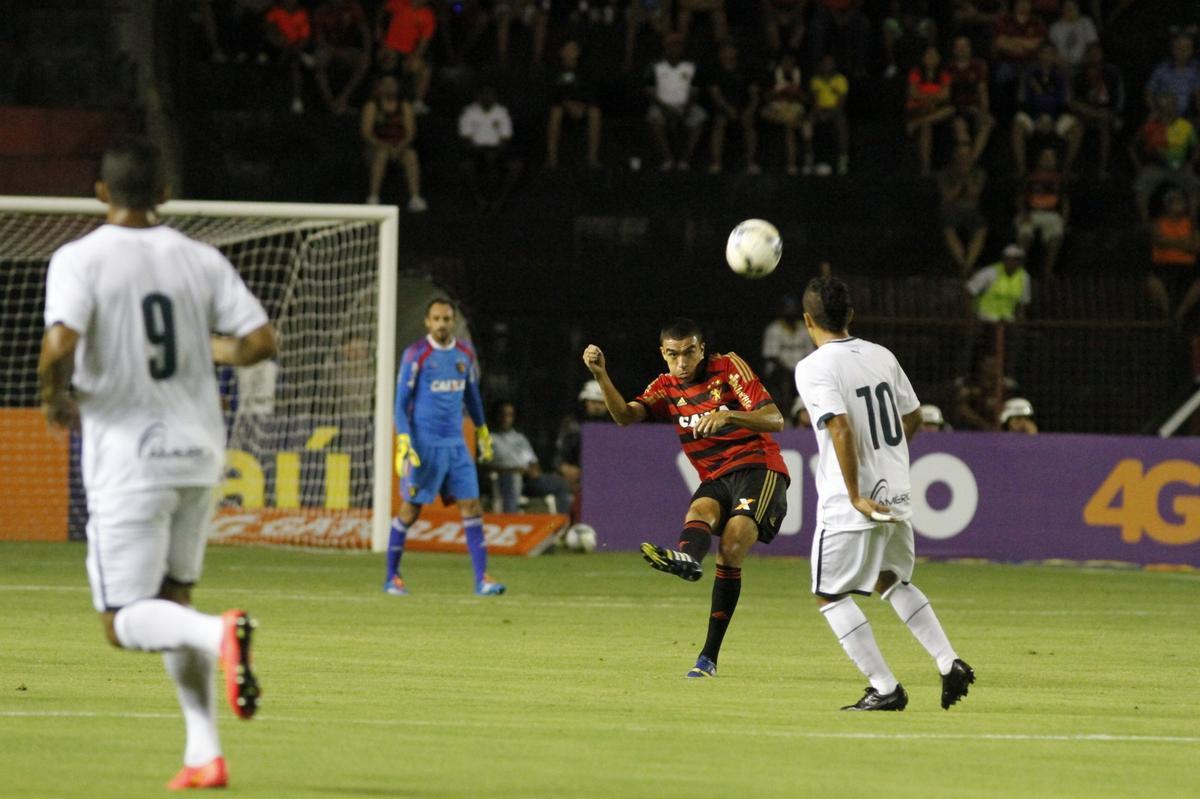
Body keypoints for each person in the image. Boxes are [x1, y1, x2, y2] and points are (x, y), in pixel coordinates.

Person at [37, 137, 274, 788]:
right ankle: (204, 752)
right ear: (165, 193)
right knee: (172, 596)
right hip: (200, 454)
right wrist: (208, 352)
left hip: (129, 458)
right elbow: (260, 341)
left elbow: (60, 341)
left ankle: (220, 633)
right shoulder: (199, 258)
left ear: (101, 194)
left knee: (122, 620)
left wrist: (52, 396)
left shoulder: (79, 257)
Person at [794, 276, 974, 711]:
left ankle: (886, 688)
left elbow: (839, 425)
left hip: (850, 501)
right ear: (850, 316)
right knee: (890, 579)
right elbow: (913, 417)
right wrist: (886, 462)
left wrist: (856, 493)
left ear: (807, 320)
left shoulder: (814, 366)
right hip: (894, 493)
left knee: (829, 594)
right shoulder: (881, 355)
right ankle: (949, 661)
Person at [582, 319, 790, 678]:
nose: (682, 362)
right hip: (715, 477)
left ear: (702, 349)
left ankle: (708, 656)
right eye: (674, 355)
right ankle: (687, 559)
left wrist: (729, 415)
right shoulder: (665, 387)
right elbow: (625, 417)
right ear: (663, 354)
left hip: (759, 469)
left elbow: (775, 419)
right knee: (699, 510)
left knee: (731, 544)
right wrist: (601, 375)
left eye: (690, 352)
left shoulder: (728, 367)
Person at [384, 298, 505, 596]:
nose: (441, 324)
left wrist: (482, 430)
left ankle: (483, 579)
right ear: (427, 322)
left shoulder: (464, 353)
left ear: (453, 322)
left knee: (472, 506)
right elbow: (401, 403)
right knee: (410, 511)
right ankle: (391, 577)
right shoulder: (416, 354)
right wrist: (404, 440)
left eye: (446, 319)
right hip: (424, 446)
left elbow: (472, 396)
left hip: (456, 444)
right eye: (436, 319)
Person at [488, 400, 573, 514]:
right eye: (502, 414)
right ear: (496, 416)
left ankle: (562, 524)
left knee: (560, 484)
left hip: (528, 479)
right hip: (504, 478)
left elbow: (531, 460)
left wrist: (533, 469)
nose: (506, 418)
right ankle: (511, 519)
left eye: (510, 415)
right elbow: (486, 465)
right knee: (513, 478)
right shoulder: (490, 438)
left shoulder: (519, 438)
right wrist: (515, 471)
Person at [1012, 41, 1081, 177]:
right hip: (1033, 115)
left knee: (1077, 128)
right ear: (1039, 55)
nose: (1047, 57)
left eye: (1051, 53)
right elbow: (1022, 101)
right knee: (1017, 126)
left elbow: (1065, 103)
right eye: (1044, 53)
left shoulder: (1060, 76)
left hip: (1055, 117)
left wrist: (1052, 121)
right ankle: (1021, 169)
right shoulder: (1029, 73)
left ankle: (1067, 168)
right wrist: (1038, 119)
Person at [361, 74, 428, 211]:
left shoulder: (404, 106)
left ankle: (415, 198)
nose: (389, 87)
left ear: (398, 87)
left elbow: (410, 133)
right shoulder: (372, 105)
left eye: (392, 84)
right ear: (379, 87)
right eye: (385, 84)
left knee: (411, 155)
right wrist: (383, 145)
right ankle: (373, 196)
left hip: (399, 147)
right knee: (382, 154)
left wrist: (400, 146)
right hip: (376, 147)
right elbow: (366, 133)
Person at [1131, 92, 1200, 222]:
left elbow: (1197, 147)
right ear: (1159, 107)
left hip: (1180, 167)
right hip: (1156, 167)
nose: (1170, 108)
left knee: (1195, 187)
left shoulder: (1185, 126)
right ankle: (1146, 224)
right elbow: (1132, 146)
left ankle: (1190, 224)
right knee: (1140, 189)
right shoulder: (1150, 126)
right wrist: (1139, 167)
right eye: (1166, 104)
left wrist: (1191, 164)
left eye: (1172, 104)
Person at [645, 32, 707, 171]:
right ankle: (668, 159)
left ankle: (685, 160)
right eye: (671, 45)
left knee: (700, 118)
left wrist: (685, 111)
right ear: (665, 46)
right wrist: (665, 109)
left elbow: (694, 92)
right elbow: (650, 92)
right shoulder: (654, 66)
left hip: (685, 105)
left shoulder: (692, 66)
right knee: (653, 118)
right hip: (662, 105)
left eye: (678, 45)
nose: (674, 48)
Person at [459, 84, 522, 213]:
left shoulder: (502, 112)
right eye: (485, 94)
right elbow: (466, 139)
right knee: (466, 166)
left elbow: (506, 138)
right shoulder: (468, 112)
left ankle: (499, 201)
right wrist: (482, 152)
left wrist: (495, 152)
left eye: (491, 94)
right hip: (475, 151)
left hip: (498, 151)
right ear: (478, 97)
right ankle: (479, 200)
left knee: (516, 166)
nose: (488, 98)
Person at [1069, 41, 1124, 181]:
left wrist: (1115, 113)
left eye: (1097, 52)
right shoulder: (1079, 73)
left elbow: (1119, 98)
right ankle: (1069, 166)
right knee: (1077, 126)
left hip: (1106, 113)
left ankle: (1103, 168)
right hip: (1085, 113)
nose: (1094, 56)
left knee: (1105, 124)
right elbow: (1073, 101)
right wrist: (1092, 112)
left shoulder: (1112, 72)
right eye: (1091, 53)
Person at [545, 40, 602, 170]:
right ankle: (552, 160)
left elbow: (590, 91)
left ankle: (592, 159)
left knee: (595, 113)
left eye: (573, 49)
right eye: (567, 49)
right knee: (555, 112)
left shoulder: (585, 70)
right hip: (562, 107)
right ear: (561, 52)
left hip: (582, 106)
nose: (570, 52)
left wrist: (583, 105)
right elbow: (552, 92)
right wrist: (567, 104)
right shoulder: (554, 70)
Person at [706, 40, 761, 175]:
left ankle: (751, 163)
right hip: (723, 108)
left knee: (749, 123)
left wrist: (750, 110)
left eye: (729, 50)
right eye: (723, 51)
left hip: (743, 106)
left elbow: (754, 94)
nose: (726, 54)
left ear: (736, 52)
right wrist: (728, 109)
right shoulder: (714, 70)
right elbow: (716, 95)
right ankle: (716, 163)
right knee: (720, 123)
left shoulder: (746, 70)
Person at [1148, 188, 1200, 323]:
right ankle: (1168, 316)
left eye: (1181, 201)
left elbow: (1195, 246)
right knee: (1153, 284)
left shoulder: (1190, 224)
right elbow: (1158, 240)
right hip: (1163, 266)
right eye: (1176, 201)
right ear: (1168, 205)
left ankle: (1179, 314)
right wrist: (1183, 243)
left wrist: (1170, 242)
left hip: (1187, 266)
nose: (1180, 204)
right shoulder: (1158, 223)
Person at [1015, 147, 1069, 277]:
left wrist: (1065, 220)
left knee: (1057, 233)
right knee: (1025, 234)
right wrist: (1023, 213)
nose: (1048, 160)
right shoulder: (1030, 176)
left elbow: (1066, 201)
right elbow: (1020, 198)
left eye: (1051, 157)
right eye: (1045, 156)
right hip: (1031, 213)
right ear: (1039, 159)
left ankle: (1047, 271)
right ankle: (1018, 271)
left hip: (1052, 214)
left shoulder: (1060, 178)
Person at [313, 0, 371, 114]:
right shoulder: (321, 11)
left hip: (348, 50)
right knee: (319, 60)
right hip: (328, 49)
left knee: (364, 62)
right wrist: (334, 51)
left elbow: (364, 31)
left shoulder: (353, 8)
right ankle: (329, 101)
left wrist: (367, 52)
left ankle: (342, 99)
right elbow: (319, 39)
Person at [939, 141, 989, 274]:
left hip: (971, 209)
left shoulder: (979, 173)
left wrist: (967, 178)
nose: (964, 159)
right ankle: (961, 262)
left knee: (981, 229)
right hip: (951, 209)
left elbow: (974, 194)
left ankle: (968, 265)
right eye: (961, 155)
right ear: (955, 156)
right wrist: (961, 180)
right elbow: (948, 197)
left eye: (967, 155)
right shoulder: (945, 173)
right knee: (948, 228)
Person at [905, 44, 955, 177]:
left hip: (935, 110)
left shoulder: (944, 74)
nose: (932, 58)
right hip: (918, 109)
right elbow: (913, 93)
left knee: (951, 109)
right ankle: (925, 167)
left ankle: (918, 123)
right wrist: (932, 100)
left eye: (935, 55)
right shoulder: (916, 72)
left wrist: (927, 98)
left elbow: (946, 94)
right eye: (929, 55)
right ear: (923, 58)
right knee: (928, 121)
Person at [761, 294, 813, 410]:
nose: (791, 312)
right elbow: (771, 356)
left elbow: (810, 353)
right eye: (787, 309)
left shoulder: (804, 329)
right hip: (779, 371)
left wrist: (800, 369)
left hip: (800, 369)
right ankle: (785, 415)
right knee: (785, 380)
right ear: (781, 310)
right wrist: (790, 371)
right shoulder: (774, 329)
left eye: (793, 309)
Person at [760, 49, 807, 175]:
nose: (788, 65)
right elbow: (765, 98)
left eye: (791, 62)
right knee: (765, 113)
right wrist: (776, 91)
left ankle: (792, 165)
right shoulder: (772, 75)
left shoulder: (801, 75)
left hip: (794, 108)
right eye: (785, 62)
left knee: (791, 126)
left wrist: (796, 91)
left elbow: (807, 100)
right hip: (776, 109)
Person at [806, 53, 850, 175]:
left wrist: (830, 114)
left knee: (842, 125)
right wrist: (819, 113)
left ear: (834, 64)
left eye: (830, 62)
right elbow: (814, 100)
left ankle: (843, 159)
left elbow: (841, 102)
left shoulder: (840, 80)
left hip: (835, 111)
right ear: (821, 64)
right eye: (825, 62)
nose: (827, 65)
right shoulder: (815, 80)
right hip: (818, 110)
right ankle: (809, 157)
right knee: (807, 124)